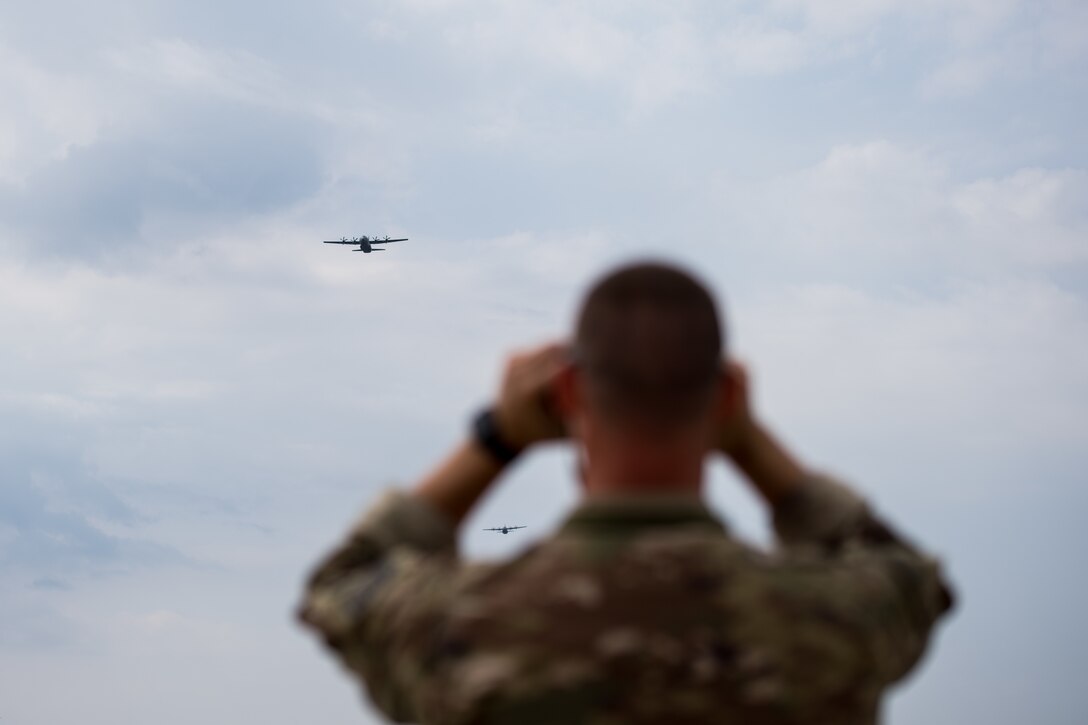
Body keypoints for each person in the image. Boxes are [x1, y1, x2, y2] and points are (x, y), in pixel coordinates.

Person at [298, 261, 954, 725]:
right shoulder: (837, 620)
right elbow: (909, 578)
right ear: (727, 397)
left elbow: (343, 581)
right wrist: (751, 442)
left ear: (565, 396)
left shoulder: (460, 625)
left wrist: (497, 435)